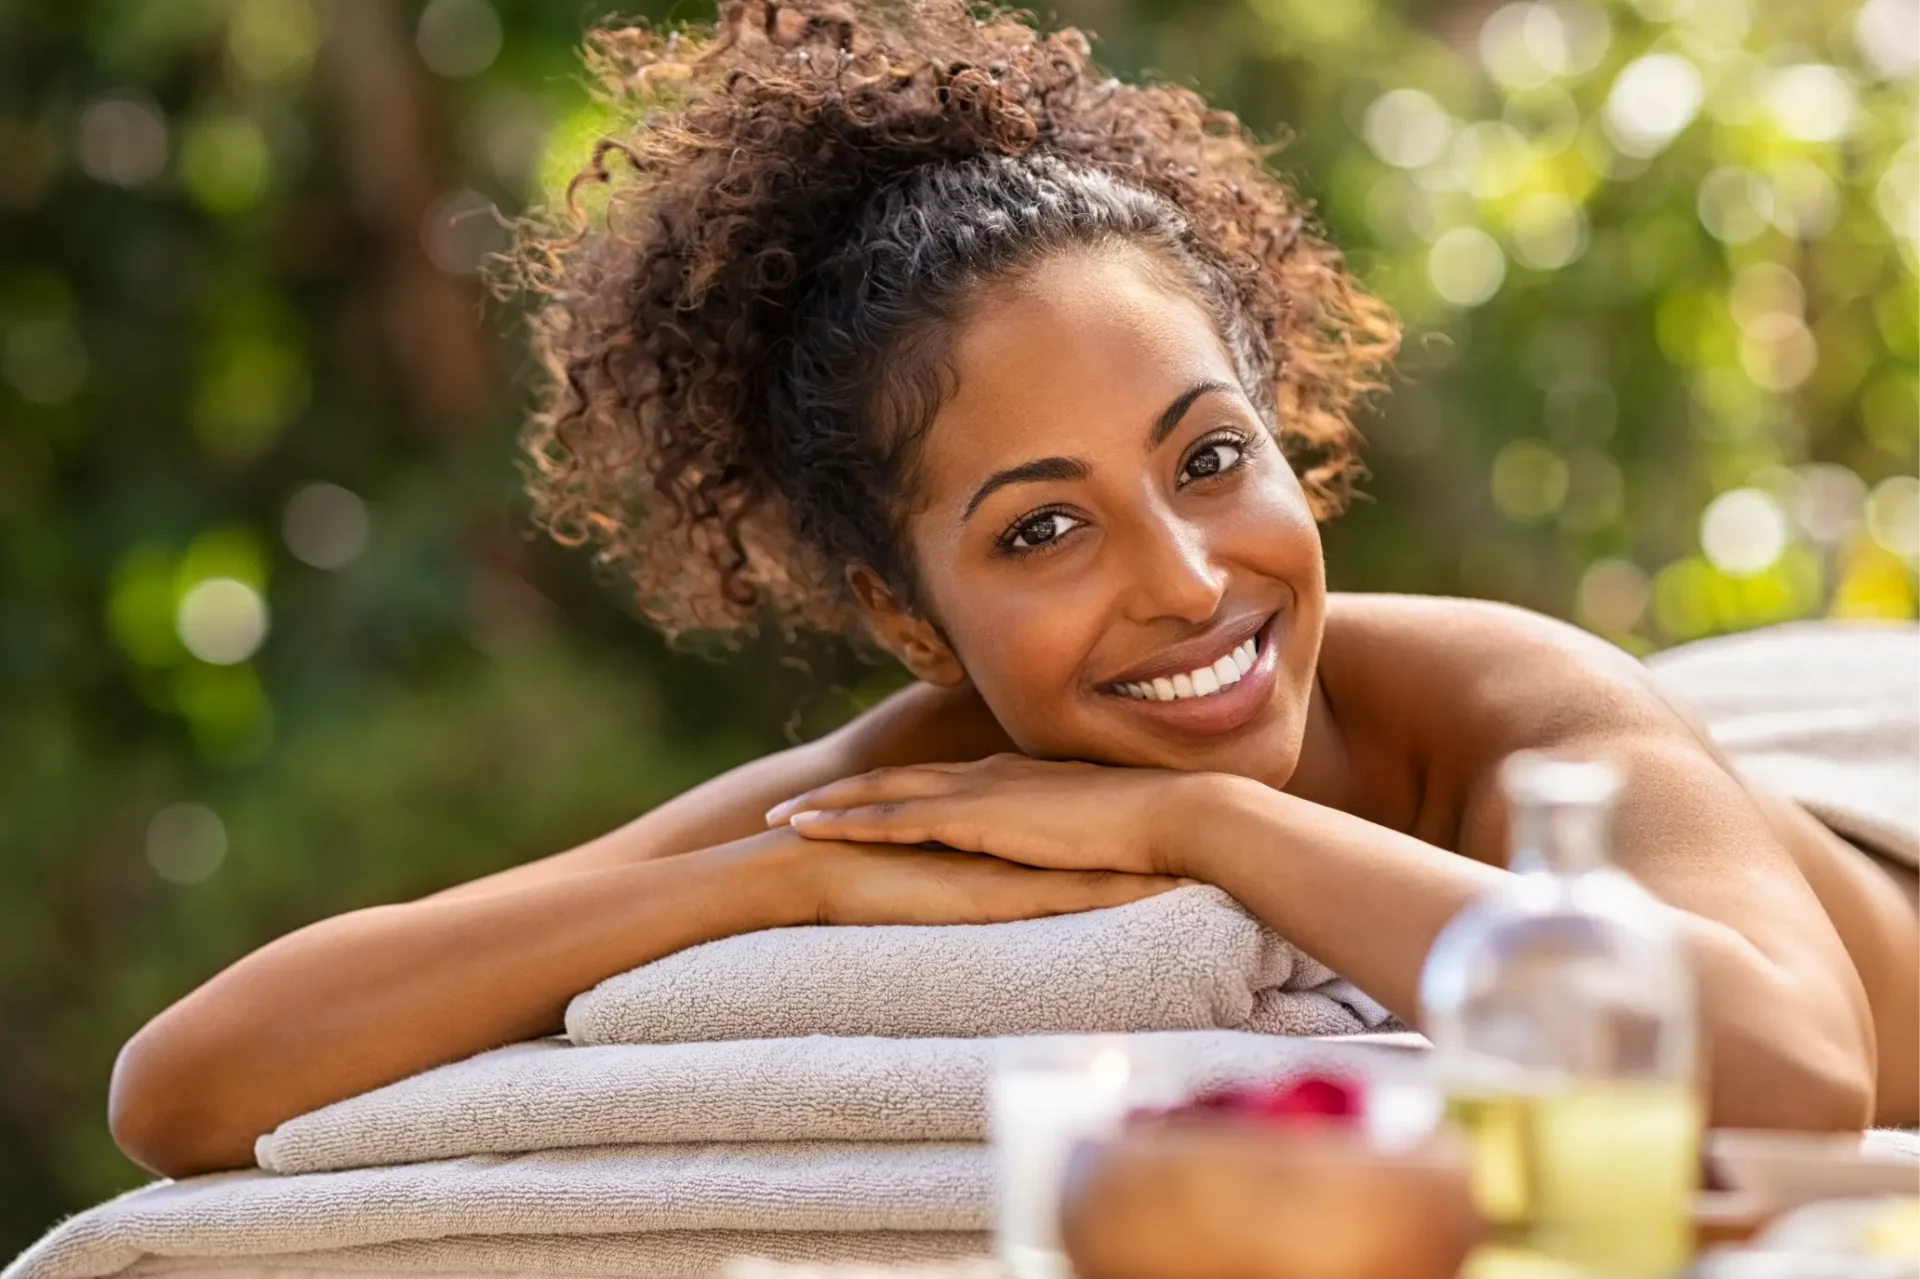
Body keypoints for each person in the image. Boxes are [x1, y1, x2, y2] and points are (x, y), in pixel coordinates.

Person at [108, 0, 1920, 1179]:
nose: (1190, 580)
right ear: (910, 616)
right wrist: (787, 871)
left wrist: (1213, 829)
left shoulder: (1506, 695)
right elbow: (189, 1085)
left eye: (1212, 458)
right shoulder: (938, 760)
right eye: (1042, 530)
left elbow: (1792, 1073)